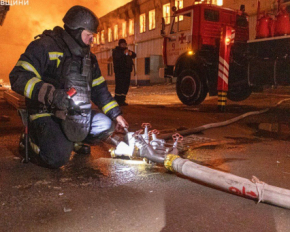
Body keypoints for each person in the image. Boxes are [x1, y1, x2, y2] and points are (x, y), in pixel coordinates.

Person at [9, 5, 128, 169]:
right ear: (76, 31)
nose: (92, 39)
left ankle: (74, 139)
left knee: (106, 125)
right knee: (57, 157)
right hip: (45, 113)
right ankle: (29, 142)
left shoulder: (88, 58)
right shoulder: (45, 46)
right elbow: (18, 76)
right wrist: (51, 94)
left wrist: (116, 115)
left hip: (74, 114)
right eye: (89, 35)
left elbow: (99, 89)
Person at [112, 39, 136, 106]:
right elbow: (117, 57)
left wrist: (130, 53)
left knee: (125, 85)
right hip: (119, 72)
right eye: (122, 44)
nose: (123, 45)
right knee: (120, 86)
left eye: (124, 44)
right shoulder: (116, 51)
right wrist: (123, 53)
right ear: (119, 44)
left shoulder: (127, 50)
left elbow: (134, 55)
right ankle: (117, 99)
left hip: (127, 71)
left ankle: (122, 99)